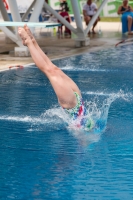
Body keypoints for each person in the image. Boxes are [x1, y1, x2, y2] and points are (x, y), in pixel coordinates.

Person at [18, 25, 94, 131]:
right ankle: (33, 41)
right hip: (79, 101)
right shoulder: (91, 137)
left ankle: (28, 42)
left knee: (50, 72)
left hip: (71, 106)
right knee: (54, 69)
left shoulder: (85, 139)